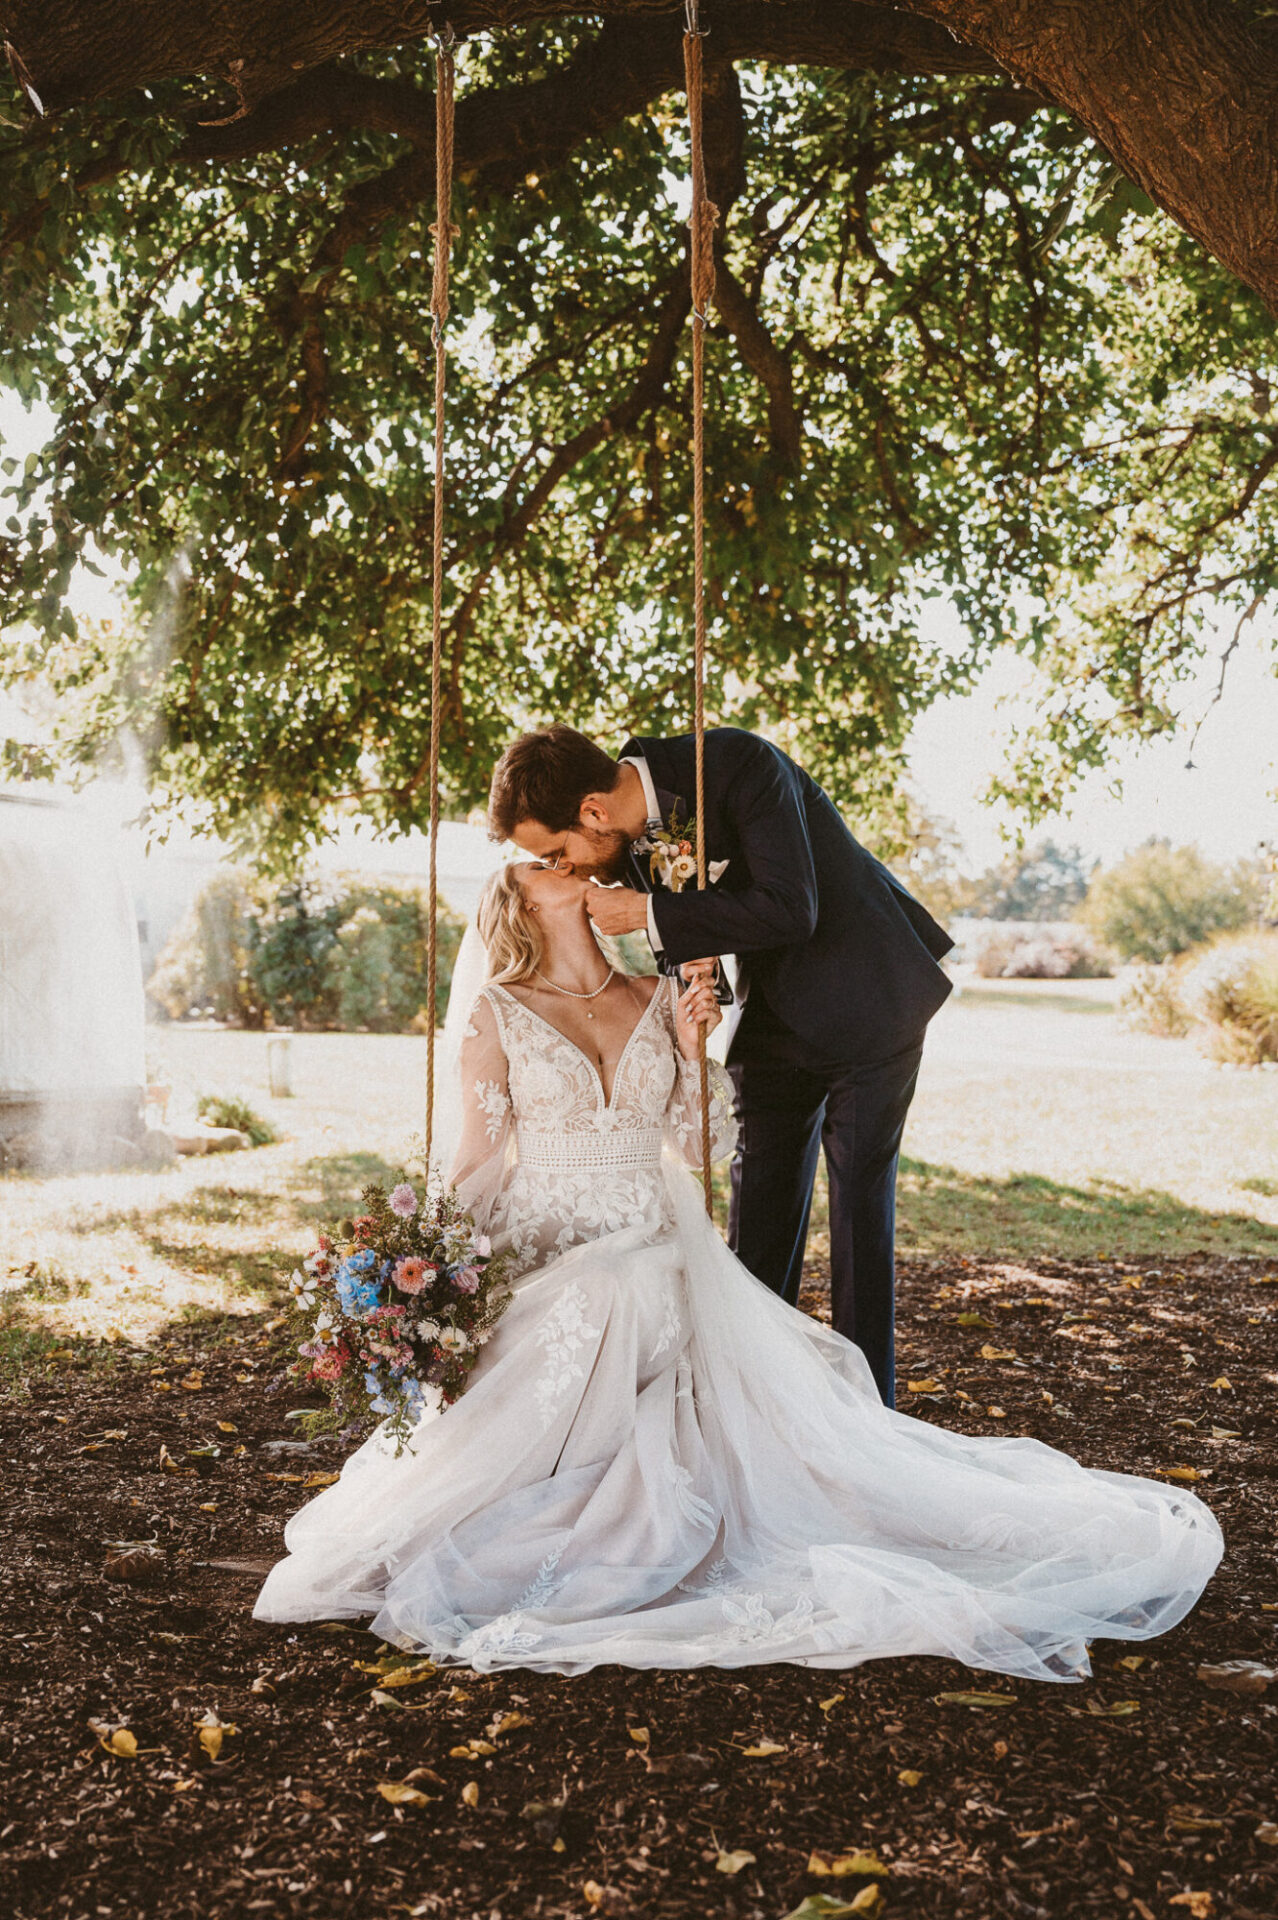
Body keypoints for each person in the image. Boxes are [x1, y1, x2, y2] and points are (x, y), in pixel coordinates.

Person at [254, 858, 1221, 1677]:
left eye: (570, 854)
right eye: (540, 861)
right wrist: (420, 1262)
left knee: (630, 1285)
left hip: (650, 1225)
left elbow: (695, 1143)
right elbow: (474, 1160)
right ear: (513, 899)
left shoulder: (655, 996)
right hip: (544, 1235)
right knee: (591, 1291)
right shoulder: (499, 1015)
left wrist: (691, 1044)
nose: (567, 863)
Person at [487, 723, 955, 1407]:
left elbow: (791, 907)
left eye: (559, 854)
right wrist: (692, 971)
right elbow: (699, 922)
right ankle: (754, 1402)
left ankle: (870, 1416)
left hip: (869, 996)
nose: (572, 873)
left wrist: (652, 912)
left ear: (592, 813)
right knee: (757, 1195)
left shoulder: (735, 763)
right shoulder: (626, 844)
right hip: (775, 1013)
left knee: (857, 1209)